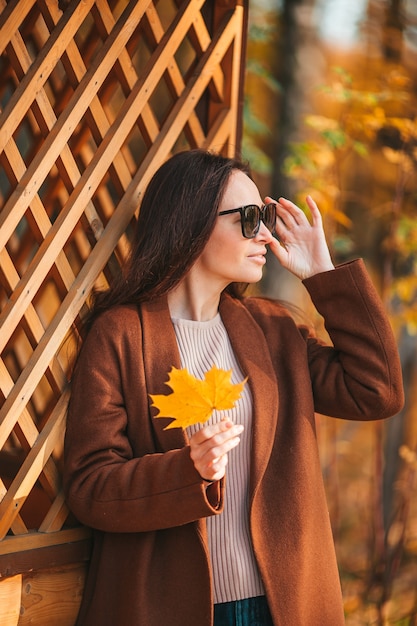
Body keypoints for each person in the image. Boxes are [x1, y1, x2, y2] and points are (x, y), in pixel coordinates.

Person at [64, 149, 404, 626]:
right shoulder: (119, 335)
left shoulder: (272, 329)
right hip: (169, 608)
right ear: (192, 224)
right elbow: (90, 486)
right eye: (249, 219)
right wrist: (186, 470)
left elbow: (378, 391)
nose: (264, 233)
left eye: (264, 217)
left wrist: (324, 277)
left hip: (283, 606)